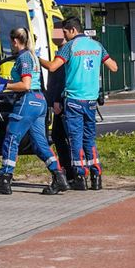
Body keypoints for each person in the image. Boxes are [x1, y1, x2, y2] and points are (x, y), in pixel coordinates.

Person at [0, 27, 69, 196]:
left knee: (11, 139)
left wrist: (4, 86)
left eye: (11, 42)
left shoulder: (23, 57)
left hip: (27, 100)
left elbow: (25, 84)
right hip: (39, 101)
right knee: (39, 144)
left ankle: (4, 180)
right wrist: (1, 81)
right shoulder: (32, 57)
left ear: (15, 41)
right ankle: (59, 176)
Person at [39, 17, 118, 190]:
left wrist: (37, 59)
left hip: (74, 100)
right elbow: (114, 67)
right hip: (91, 100)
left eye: (65, 32)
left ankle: (80, 177)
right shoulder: (97, 46)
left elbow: (53, 67)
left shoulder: (70, 47)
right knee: (89, 138)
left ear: (73, 30)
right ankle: (96, 176)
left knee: (75, 139)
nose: (65, 36)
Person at [45, 36, 76, 187]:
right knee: (59, 136)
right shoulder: (62, 51)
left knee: (64, 137)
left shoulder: (66, 53)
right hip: (59, 101)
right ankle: (69, 172)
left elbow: (62, 79)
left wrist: (57, 99)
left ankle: (72, 173)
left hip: (63, 102)